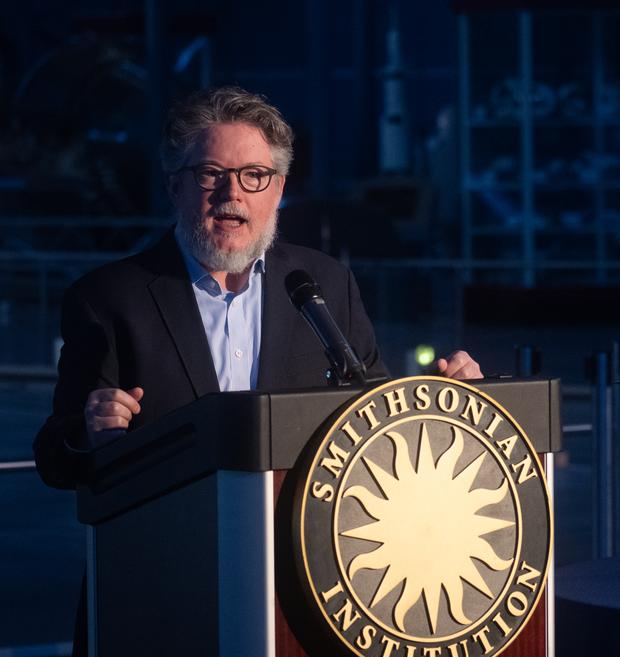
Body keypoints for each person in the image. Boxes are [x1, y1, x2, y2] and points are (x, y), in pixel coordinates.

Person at [33, 85, 480, 490]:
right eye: (210, 173)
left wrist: (440, 401)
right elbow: (55, 459)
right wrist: (88, 435)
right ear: (174, 186)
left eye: (254, 175)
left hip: (296, 563)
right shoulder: (106, 299)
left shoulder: (326, 283)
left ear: (278, 187)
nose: (233, 193)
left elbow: (376, 427)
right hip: (168, 559)